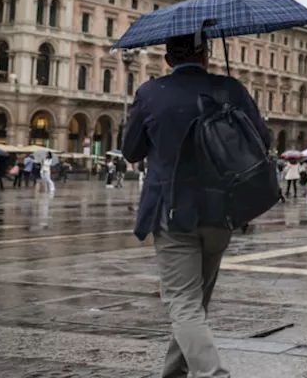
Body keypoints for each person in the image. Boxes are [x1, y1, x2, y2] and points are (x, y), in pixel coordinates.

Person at [124, 33, 269, 378]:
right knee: (193, 303)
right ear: (205, 55)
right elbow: (261, 139)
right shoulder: (230, 89)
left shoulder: (151, 93)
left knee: (184, 304)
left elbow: (131, 151)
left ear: (168, 59)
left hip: (172, 211)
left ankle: (212, 374)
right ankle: (173, 373)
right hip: (222, 211)